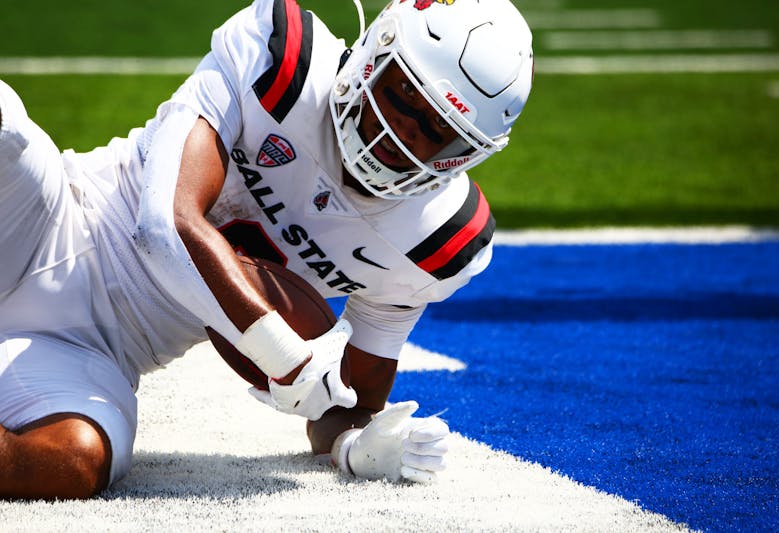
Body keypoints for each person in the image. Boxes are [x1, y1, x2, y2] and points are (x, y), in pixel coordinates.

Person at [0, 0, 533, 499]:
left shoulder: (433, 242)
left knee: (73, 459)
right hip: (52, 219)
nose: (399, 133)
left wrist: (357, 448)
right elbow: (165, 224)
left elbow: (350, 405)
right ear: (375, 51)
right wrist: (284, 353)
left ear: (466, 156)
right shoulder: (278, 62)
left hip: (103, 351)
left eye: (437, 131)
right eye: (402, 95)